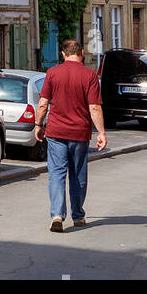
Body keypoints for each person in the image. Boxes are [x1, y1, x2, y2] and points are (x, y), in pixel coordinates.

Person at [33, 38, 106, 232]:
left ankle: (57, 215)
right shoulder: (89, 75)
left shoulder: (53, 73)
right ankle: (78, 215)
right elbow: (94, 107)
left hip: (56, 132)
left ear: (63, 54)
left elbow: (43, 103)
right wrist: (101, 132)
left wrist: (38, 124)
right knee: (77, 174)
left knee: (56, 174)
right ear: (81, 54)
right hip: (79, 133)